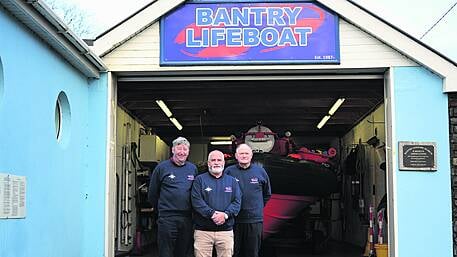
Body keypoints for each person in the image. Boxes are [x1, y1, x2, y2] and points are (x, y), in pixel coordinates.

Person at [148, 137, 198, 257]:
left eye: (185, 149)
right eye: (179, 148)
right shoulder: (161, 168)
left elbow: (195, 193)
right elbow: (152, 194)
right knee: (166, 252)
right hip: (167, 218)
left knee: (183, 252)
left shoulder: (193, 169)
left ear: (188, 151)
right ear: (173, 150)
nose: (182, 152)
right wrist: (162, 209)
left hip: (186, 218)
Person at [191, 150, 242, 257]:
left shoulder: (232, 181)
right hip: (203, 232)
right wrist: (212, 214)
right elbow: (197, 201)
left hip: (225, 232)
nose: (216, 162)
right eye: (213, 160)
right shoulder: (199, 180)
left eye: (219, 160)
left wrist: (225, 215)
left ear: (224, 163)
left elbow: (237, 202)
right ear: (208, 163)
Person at [225, 143, 272, 257]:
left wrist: (256, 207)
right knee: (232, 252)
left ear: (251, 156)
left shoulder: (260, 172)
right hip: (233, 220)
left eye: (246, 153)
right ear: (236, 156)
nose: (244, 156)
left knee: (252, 253)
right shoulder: (228, 172)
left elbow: (267, 194)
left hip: (254, 221)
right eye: (241, 153)